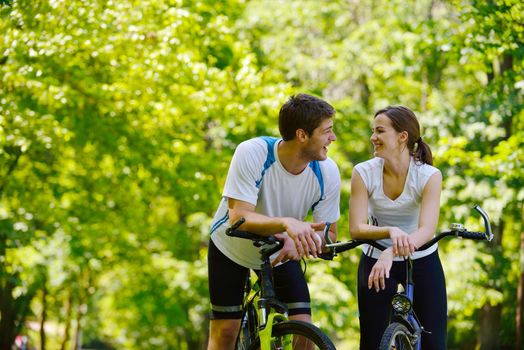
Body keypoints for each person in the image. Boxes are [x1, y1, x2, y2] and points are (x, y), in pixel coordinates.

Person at [207, 93, 341, 350]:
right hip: (231, 247)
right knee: (226, 332)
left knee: (305, 329)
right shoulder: (253, 152)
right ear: (302, 135)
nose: (332, 138)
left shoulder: (327, 171)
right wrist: (287, 224)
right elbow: (238, 217)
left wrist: (301, 240)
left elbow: (330, 234)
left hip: (280, 252)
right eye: (327, 132)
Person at [349, 106, 445, 349]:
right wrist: (390, 232)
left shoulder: (429, 176)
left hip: (421, 258)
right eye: (373, 131)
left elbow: (426, 230)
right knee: (372, 341)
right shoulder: (363, 172)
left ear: (402, 136)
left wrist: (392, 251)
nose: (373, 137)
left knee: (434, 342)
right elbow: (356, 228)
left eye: (380, 131)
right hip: (375, 260)